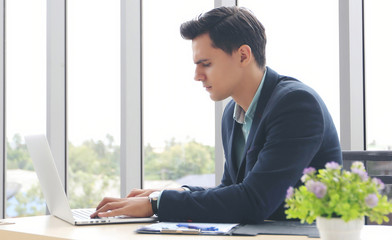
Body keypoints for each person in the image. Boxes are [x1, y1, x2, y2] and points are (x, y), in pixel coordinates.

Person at [91, 6, 341, 223]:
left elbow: (254, 201)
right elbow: (231, 190)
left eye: (206, 64)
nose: (197, 75)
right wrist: (163, 195)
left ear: (243, 55)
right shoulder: (233, 112)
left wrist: (159, 204)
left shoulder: (296, 105)